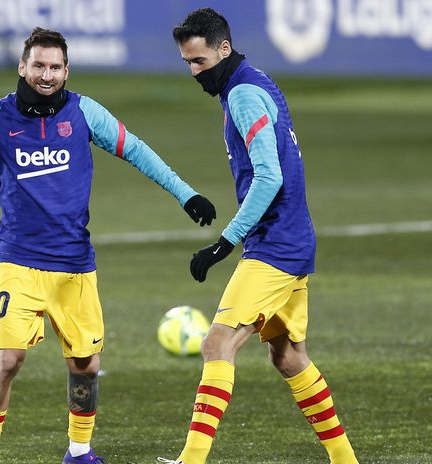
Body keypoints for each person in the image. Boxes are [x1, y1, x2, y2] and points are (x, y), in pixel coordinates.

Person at [0, 27, 216, 464]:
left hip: (75, 265)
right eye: (38, 66)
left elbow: (138, 152)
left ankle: (79, 451)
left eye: (54, 67)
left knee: (85, 365)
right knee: (8, 359)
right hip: (18, 261)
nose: (46, 75)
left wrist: (186, 194)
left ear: (67, 70)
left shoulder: (86, 113)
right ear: (22, 66)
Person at [157, 8, 359, 464]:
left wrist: (223, 243)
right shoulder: (255, 79)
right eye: (188, 63)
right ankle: (345, 460)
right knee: (288, 357)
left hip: (275, 245)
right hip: (293, 239)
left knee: (216, 344)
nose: (194, 73)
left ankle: (190, 461)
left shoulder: (244, 94)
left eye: (200, 62)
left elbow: (269, 178)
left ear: (223, 49)